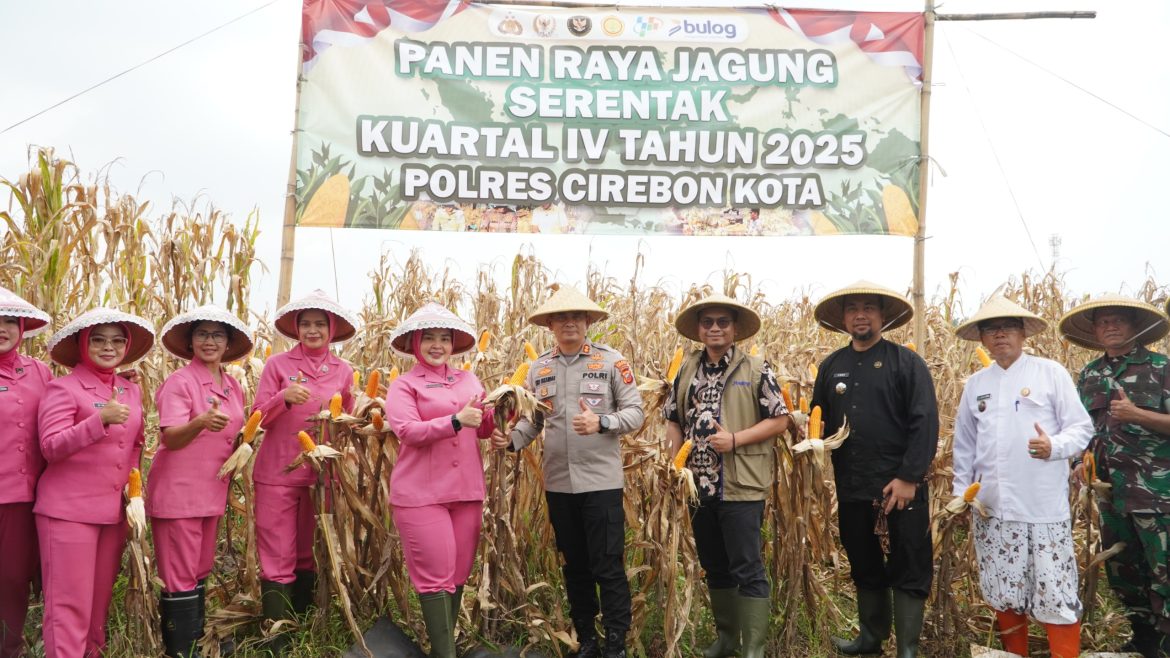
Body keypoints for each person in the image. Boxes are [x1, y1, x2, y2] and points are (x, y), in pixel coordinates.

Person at [493, 285, 645, 658]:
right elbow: (533, 421)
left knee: (607, 565)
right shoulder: (539, 368)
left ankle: (616, 644)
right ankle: (587, 640)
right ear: (550, 325)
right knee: (575, 566)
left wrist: (602, 422)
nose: (569, 323)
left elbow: (635, 414)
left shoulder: (611, 362)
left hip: (601, 483)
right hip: (559, 483)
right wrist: (511, 441)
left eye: (576, 316)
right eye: (561, 318)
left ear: (588, 321)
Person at [953, 296, 1092, 658]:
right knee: (1003, 588)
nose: (999, 334)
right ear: (982, 338)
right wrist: (961, 493)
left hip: (1041, 505)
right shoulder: (976, 384)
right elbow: (964, 444)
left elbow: (1081, 428)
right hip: (992, 507)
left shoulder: (1050, 373)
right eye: (991, 329)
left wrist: (1054, 446)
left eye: (1008, 327)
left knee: (1055, 588)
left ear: (1023, 333)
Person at [810, 281, 938, 658]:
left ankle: (907, 648)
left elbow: (925, 423)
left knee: (909, 562)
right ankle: (870, 639)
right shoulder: (832, 366)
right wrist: (807, 433)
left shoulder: (906, 363)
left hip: (900, 487)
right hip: (852, 486)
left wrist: (909, 477)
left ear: (883, 316)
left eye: (868, 308)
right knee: (863, 561)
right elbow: (820, 422)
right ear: (844, 318)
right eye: (853, 309)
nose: (860, 315)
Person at [665, 293, 790, 658]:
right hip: (697, 488)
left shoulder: (756, 369)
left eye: (723, 322)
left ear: (734, 329)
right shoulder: (687, 369)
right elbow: (673, 419)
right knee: (715, 566)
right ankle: (727, 640)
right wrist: (673, 466)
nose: (715, 328)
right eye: (708, 322)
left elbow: (780, 419)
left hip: (740, 486)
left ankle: (753, 649)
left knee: (747, 567)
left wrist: (735, 439)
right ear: (699, 329)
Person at [36, 308, 155, 657]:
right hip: (68, 512)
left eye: (117, 341)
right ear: (82, 345)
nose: (108, 347)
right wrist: (98, 420)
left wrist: (134, 495)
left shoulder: (130, 390)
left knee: (97, 604)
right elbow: (50, 446)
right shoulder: (62, 388)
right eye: (98, 340)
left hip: (113, 512)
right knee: (68, 606)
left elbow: (135, 446)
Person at [1061, 294, 1170, 658]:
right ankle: (1144, 641)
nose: (1110, 327)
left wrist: (1139, 415)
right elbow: (1082, 429)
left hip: (1157, 494)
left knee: (1164, 573)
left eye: (1118, 320)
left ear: (1135, 326)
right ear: (1094, 331)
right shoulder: (1090, 375)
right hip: (1110, 495)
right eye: (1103, 322)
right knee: (1124, 573)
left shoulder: (1161, 368)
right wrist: (1079, 461)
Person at [385, 303, 496, 658]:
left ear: (453, 344)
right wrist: (456, 420)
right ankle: (445, 653)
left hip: (466, 490)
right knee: (435, 576)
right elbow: (408, 430)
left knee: (458, 573)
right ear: (415, 343)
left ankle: (442, 648)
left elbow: (483, 427)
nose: (437, 345)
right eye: (429, 338)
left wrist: (501, 414)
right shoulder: (404, 385)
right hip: (421, 493)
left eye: (444, 338)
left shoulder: (469, 380)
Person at [252, 290, 357, 651]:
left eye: (319, 324)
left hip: (322, 474)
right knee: (276, 549)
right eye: (306, 324)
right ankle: (277, 634)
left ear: (332, 329)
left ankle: (305, 624)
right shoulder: (277, 365)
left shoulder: (344, 371)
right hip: (277, 470)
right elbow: (257, 418)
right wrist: (282, 398)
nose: (313, 330)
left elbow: (348, 421)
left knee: (308, 550)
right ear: (296, 328)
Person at [151, 306, 254, 657]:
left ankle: (194, 644)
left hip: (211, 489)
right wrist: (199, 422)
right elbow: (170, 438)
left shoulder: (233, 385)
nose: (210, 341)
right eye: (202, 334)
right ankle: (182, 652)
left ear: (229, 343)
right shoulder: (180, 382)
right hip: (179, 491)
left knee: (199, 569)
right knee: (179, 573)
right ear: (190, 341)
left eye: (217, 335)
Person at [0, 288, 52, 658]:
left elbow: (68, 410)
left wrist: (117, 382)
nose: (2, 329)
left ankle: (9, 649)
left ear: (21, 328)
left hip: (22, 497)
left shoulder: (40, 372)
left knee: (13, 579)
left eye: (9, 321)